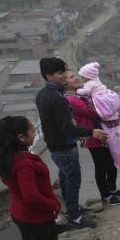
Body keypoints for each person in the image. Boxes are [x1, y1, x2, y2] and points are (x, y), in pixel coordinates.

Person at [35, 57, 108, 228]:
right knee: (73, 181)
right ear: (48, 75)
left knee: (65, 179)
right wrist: (91, 132)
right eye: (60, 73)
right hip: (64, 147)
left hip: (54, 146)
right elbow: (66, 127)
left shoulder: (42, 95)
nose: (63, 76)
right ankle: (75, 216)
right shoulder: (58, 98)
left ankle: (71, 209)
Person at [64, 71, 120, 206]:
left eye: (74, 75)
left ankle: (113, 188)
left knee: (111, 161)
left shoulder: (81, 91)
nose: (75, 78)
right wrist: (107, 104)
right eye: (71, 77)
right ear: (65, 84)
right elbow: (93, 112)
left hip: (104, 132)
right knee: (101, 165)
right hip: (93, 135)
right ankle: (106, 195)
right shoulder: (71, 99)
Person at [76, 62, 120, 173]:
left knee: (101, 164)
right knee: (114, 140)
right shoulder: (97, 80)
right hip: (111, 116)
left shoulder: (90, 84)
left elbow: (83, 91)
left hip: (102, 114)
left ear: (88, 76)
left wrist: (78, 91)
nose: (81, 78)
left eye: (82, 76)